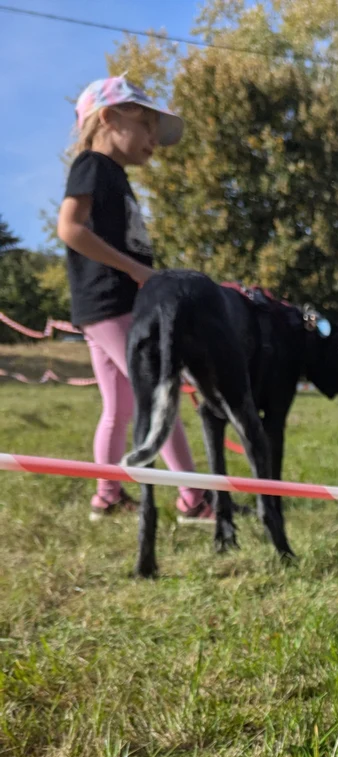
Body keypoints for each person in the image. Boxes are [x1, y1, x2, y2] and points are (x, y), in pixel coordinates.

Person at [57, 75, 212, 523]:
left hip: (105, 308)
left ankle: (106, 496)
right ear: (108, 117)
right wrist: (136, 270)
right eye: (145, 126)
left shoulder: (114, 175)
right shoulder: (92, 165)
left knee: (120, 407)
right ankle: (193, 500)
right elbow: (70, 228)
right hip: (112, 305)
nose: (153, 140)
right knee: (161, 395)